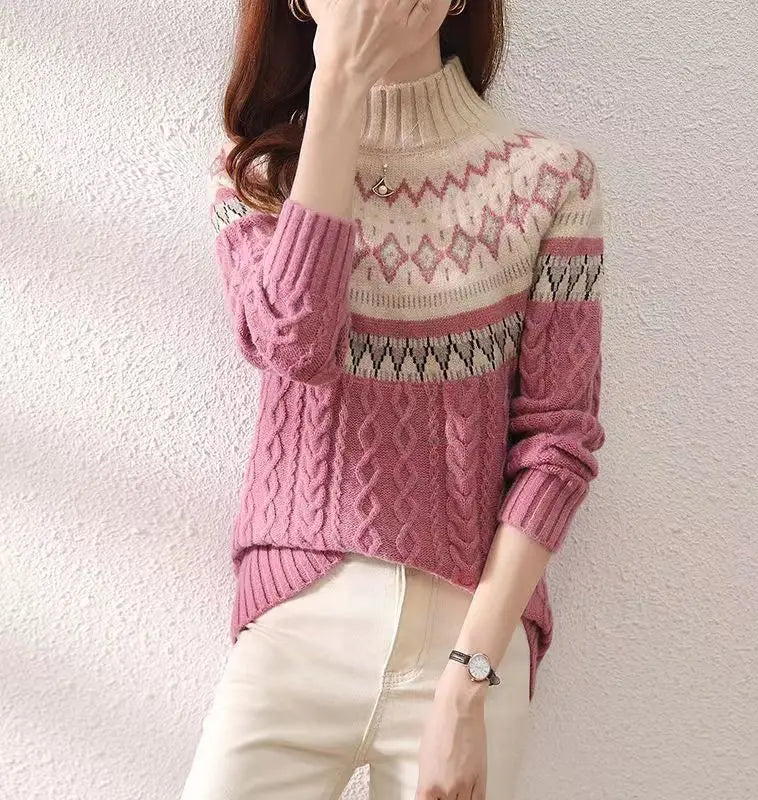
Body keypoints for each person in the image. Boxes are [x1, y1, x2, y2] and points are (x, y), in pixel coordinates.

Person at [183, 0, 606, 797]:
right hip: (299, 623)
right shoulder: (256, 176)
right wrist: (339, 86)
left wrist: (468, 680)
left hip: (468, 646)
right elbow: (295, 344)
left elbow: (559, 444)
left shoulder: (550, 181)